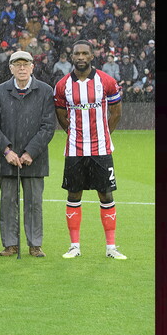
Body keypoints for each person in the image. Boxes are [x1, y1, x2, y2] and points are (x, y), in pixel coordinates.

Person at [54, 39, 127, 259]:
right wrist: (76, 134)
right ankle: (74, 246)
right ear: (72, 56)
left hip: (101, 149)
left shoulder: (107, 81)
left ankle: (111, 248)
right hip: (75, 149)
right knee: (73, 194)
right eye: (77, 54)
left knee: (106, 194)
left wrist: (104, 135)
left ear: (92, 55)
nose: (81, 57)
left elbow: (116, 113)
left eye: (85, 53)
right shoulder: (63, 85)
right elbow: (61, 114)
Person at [0, 50, 57, 258]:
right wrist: (7, 150)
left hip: (34, 160)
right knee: (8, 203)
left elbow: (48, 126)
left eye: (25, 64)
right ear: (10, 68)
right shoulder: (0, 91)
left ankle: (35, 244)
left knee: (34, 203)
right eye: (17, 65)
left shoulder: (45, 91)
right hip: (7, 159)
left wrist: (30, 151)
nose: (21, 68)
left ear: (32, 67)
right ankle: (10, 244)